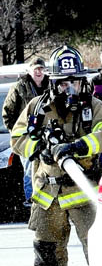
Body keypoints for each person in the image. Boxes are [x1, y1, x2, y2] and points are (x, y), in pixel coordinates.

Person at [9, 45, 102, 266]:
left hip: (83, 191)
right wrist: (38, 147)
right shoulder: (37, 107)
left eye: (75, 82)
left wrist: (80, 146)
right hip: (47, 194)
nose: (69, 89)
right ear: (53, 83)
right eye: (63, 83)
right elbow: (17, 137)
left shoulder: (94, 106)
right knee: (47, 250)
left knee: (97, 246)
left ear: (83, 81)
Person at [2, 57, 50, 207]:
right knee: (30, 169)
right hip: (27, 138)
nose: (38, 72)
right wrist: (17, 134)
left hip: (48, 135)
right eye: (35, 69)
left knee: (50, 169)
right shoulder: (19, 87)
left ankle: (49, 201)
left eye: (41, 69)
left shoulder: (52, 85)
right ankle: (31, 202)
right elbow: (7, 113)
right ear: (29, 70)